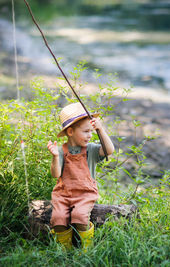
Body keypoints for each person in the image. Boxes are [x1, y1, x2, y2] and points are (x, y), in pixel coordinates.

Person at [47, 102, 114, 251]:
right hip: (63, 194)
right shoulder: (61, 150)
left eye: (91, 131)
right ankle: (64, 250)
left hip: (85, 194)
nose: (90, 135)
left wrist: (101, 130)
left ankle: (87, 249)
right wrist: (55, 157)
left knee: (79, 215)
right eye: (86, 131)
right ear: (70, 132)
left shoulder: (91, 149)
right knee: (58, 218)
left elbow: (109, 150)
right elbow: (55, 174)